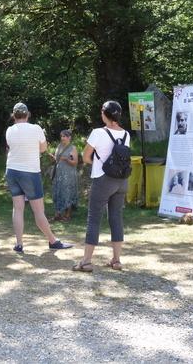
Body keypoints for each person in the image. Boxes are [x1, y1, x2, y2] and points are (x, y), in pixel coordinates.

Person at [6, 103, 71, 253]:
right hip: (29, 172)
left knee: (18, 208)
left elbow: (11, 146)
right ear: (27, 114)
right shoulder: (36, 129)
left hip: (12, 170)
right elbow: (43, 149)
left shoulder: (9, 130)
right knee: (38, 210)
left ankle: (19, 244)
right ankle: (53, 241)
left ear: (14, 115)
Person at [73, 101, 129, 272]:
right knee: (116, 218)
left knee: (94, 218)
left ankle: (86, 261)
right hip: (122, 181)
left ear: (105, 114)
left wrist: (99, 163)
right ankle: (117, 260)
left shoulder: (98, 132)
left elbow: (86, 157)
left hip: (103, 180)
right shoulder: (126, 134)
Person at [51, 129, 79, 222]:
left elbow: (75, 162)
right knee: (58, 192)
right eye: (61, 136)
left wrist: (66, 159)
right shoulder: (59, 146)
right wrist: (54, 158)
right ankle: (57, 214)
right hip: (59, 174)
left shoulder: (73, 148)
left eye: (64, 136)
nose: (62, 138)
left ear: (69, 137)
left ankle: (67, 215)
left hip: (69, 175)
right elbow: (57, 159)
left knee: (68, 193)